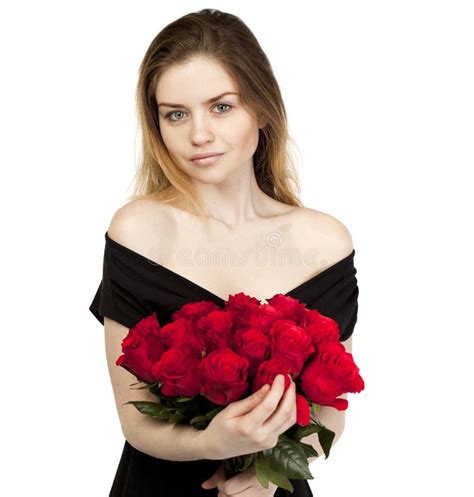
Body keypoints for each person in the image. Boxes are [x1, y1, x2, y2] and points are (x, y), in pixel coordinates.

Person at [89, 8, 359, 497]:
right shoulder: (138, 230)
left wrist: (270, 473)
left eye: (221, 107)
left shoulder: (323, 242)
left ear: (260, 106)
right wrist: (211, 441)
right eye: (176, 114)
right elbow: (134, 421)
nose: (198, 134)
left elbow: (330, 413)